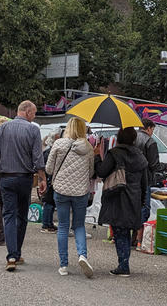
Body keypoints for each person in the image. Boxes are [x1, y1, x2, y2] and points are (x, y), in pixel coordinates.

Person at [0, 101, 47, 272]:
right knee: (22, 216)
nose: (34, 116)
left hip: (6, 178)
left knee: (9, 215)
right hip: (25, 178)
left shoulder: (4, 128)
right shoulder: (33, 129)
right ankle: (16, 252)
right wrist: (42, 178)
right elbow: (37, 157)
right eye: (34, 113)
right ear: (27, 112)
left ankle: (12, 255)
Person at [94, 127, 148, 277]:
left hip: (118, 196)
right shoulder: (140, 156)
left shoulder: (115, 153)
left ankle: (123, 265)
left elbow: (102, 171)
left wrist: (97, 157)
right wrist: (143, 200)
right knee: (127, 229)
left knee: (119, 230)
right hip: (134, 196)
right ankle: (124, 262)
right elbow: (145, 182)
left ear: (118, 138)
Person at [46, 117, 96, 277]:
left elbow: (48, 169)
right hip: (81, 192)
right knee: (79, 226)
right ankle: (82, 255)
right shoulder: (88, 147)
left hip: (61, 190)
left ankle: (63, 265)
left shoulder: (59, 144)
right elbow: (91, 172)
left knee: (62, 226)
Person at [135, 118, 167, 244]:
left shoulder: (132, 137)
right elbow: (154, 165)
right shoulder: (150, 142)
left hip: (131, 178)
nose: (153, 132)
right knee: (144, 208)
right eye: (153, 129)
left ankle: (132, 236)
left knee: (133, 207)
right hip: (144, 179)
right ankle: (138, 237)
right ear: (148, 128)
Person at [40, 131, 61, 233]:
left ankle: (48, 223)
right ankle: (46, 224)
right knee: (49, 202)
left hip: (48, 179)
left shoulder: (47, 151)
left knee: (49, 202)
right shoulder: (50, 152)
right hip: (49, 179)